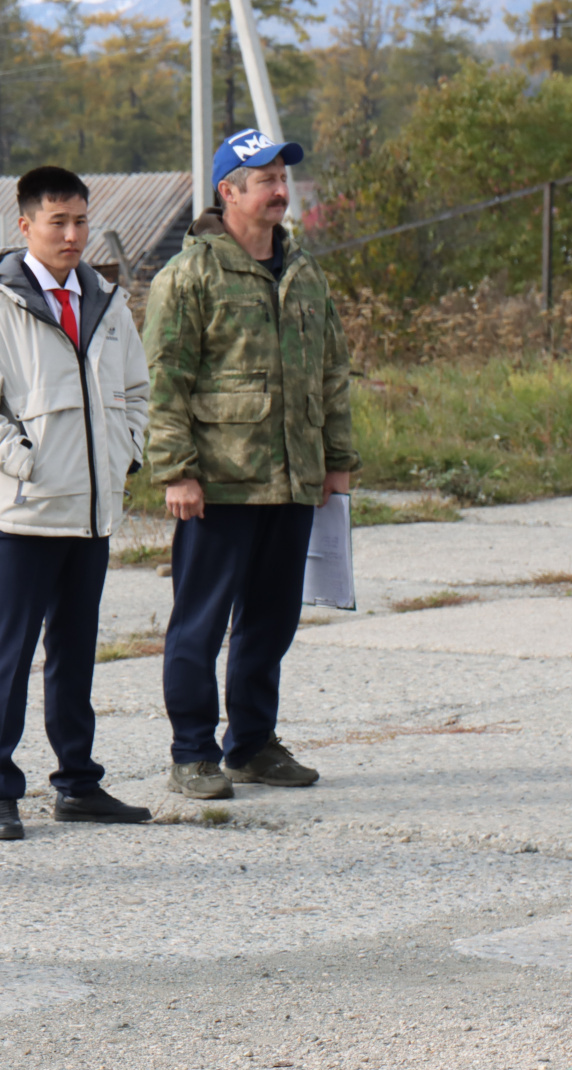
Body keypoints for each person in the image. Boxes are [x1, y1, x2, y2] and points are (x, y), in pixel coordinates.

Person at [0, 166, 153, 841]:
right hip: (26, 516)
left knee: (76, 655)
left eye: (80, 221)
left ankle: (78, 784)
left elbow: (137, 391)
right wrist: (26, 461)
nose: (72, 234)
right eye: (57, 222)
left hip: (91, 516)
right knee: (11, 655)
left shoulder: (107, 304)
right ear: (25, 225)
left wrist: (125, 452)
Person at [142, 129, 358, 802]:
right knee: (200, 624)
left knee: (272, 620)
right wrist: (176, 470)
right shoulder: (190, 275)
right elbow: (164, 381)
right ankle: (192, 753)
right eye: (264, 179)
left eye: (282, 178)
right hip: (219, 483)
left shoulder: (304, 272)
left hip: (292, 480)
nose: (279, 190)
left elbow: (331, 371)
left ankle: (253, 745)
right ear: (228, 192)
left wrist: (337, 461)